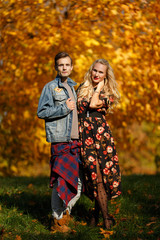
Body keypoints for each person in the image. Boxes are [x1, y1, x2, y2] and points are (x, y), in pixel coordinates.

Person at [37, 52, 82, 232]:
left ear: (71, 67)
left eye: (67, 65)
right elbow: (42, 112)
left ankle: (65, 215)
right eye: (61, 65)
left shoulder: (73, 87)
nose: (64, 68)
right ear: (56, 67)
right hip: (60, 141)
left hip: (74, 141)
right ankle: (57, 221)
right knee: (59, 182)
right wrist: (64, 108)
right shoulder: (50, 87)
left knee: (76, 183)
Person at [77, 59, 121, 229]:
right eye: (94, 70)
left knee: (101, 177)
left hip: (101, 138)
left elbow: (93, 104)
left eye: (100, 72)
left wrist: (99, 88)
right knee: (92, 176)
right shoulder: (81, 88)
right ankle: (99, 215)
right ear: (91, 70)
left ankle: (105, 219)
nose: (96, 74)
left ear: (105, 76)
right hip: (84, 137)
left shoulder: (108, 92)